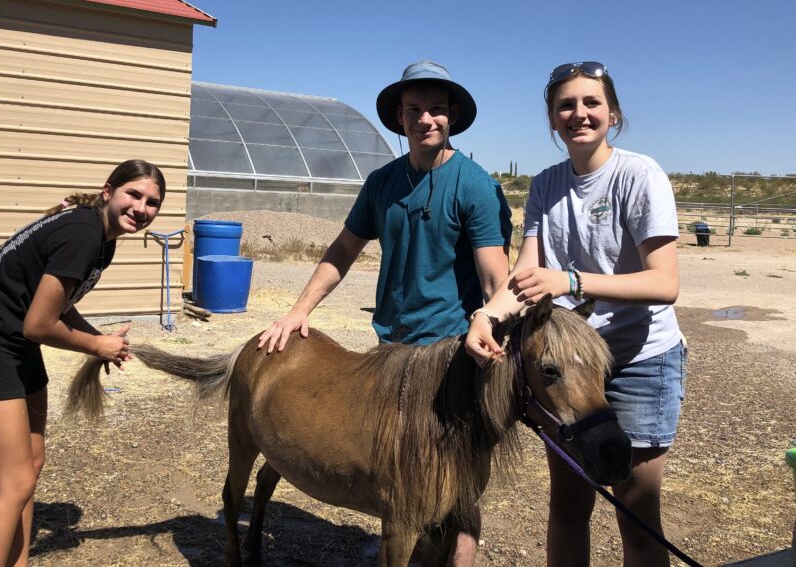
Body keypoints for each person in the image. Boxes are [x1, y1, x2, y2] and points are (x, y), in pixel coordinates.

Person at [259, 60, 513, 565]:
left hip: (450, 353)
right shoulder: (382, 183)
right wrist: (297, 310)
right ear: (399, 117)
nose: (425, 120)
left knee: (459, 483)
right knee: (403, 485)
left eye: (436, 110)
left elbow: (493, 275)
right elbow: (342, 250)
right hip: (391, 352)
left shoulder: (474, 185)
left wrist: (492, 327)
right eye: (414, 110)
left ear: (452, 116)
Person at [465, 62, 685, 567]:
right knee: (567, 505)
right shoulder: (547, 184)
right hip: (573, 366)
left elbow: (664, 283)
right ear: (552, 119)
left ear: (613, 113)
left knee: (636, 509)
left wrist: (572, 281)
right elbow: (526, 274)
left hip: (637, 359)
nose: (579, 114)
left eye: (591, 103)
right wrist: (485, 317)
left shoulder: (638, 174)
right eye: (566, 105)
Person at [0, 159, 165, 567]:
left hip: (15, 348)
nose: (141, 207)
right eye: (133, 194)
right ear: (108, 191)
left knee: (31, 463)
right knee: (14, 483)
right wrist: (95, 347)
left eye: (152, 202)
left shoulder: (102, 237)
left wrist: (98, 337)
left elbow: (58, 306)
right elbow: (39, 324)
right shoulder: (82, 234)